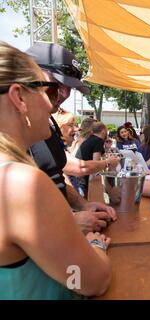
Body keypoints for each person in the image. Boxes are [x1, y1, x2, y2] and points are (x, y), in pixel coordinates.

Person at [0, 41, 111, 299]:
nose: (54, 105)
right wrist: (95, 245)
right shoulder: (21, 183)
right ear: (19, 97)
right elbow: (93, 280)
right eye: (48, 91)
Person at [26, 43, 117, 234]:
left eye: (70, 88)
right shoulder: (10, 131)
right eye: (57, 84)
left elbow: (56, 176)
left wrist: (82, 205)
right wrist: (68, 223)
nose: (65, 94)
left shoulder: (46, 124)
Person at [75, 121, 108, 198]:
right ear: (103, 131)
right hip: (83, 177)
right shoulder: (98, 140)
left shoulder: (90, 139)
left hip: (78, 174)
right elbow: (95, 162)